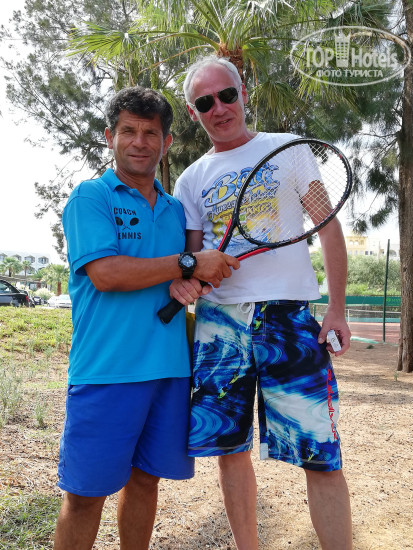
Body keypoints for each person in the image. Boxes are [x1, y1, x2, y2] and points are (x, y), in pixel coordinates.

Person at [169, 55, 353, 550]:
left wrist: (336, 308)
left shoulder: (288, 150)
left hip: (289, 318)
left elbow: (328, 228)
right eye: (205, 102)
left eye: (227, 95)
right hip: (219, 325)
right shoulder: (191, 179)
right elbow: (193, 258)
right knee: (230, 452)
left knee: (320, 454)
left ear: (243, 93)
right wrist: (192, 277)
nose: (219, 108)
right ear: (193, 112)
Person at [53, 85, 239, 550]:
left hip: (170, 372)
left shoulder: (176, 210)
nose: (139, 142)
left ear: (166, 142)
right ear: (109, 137)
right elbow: (107, 274)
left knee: (145, 482)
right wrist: (188, 263)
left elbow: (183, 276)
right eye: (128, 131)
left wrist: (188, 280)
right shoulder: (91, 196)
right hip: (107, 372)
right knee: (84, 498)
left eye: (150, 133)